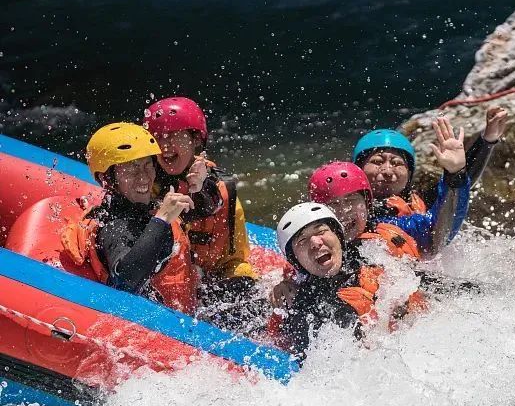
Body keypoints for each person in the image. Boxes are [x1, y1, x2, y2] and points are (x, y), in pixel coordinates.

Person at [143, 97, 263, 330]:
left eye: (174, 135)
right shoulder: (146, 177)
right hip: (173, 275)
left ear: (196, 139)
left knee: (247, 302)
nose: (165, 144)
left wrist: (198, 189)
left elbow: (211, 203)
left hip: (218, 275)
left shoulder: (216, 184)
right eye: (158, 137)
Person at [61, 123, 199, 314]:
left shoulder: (145, 206)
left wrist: (200, 184)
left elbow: (205, 210)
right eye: (131, 168)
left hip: (188, 310)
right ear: (107, 178)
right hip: (161, 324)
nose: (144, 177)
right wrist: (161, 220)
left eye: (148, 165)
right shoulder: (113, 225)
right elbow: (125, 281)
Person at [272, 203, 424, 361]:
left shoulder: (375, 254)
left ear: (338, 236)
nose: (316, 242)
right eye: (302, 240)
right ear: (296, 260)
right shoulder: (305, 308)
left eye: (321, 231)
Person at [352, 112, 507, 254]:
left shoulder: (421, 202)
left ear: (409, 174)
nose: (387, 170)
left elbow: (454, 194)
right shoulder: (347, 207)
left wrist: (485, 143)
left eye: (397, 163)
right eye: (377, 161)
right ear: (358, 168)